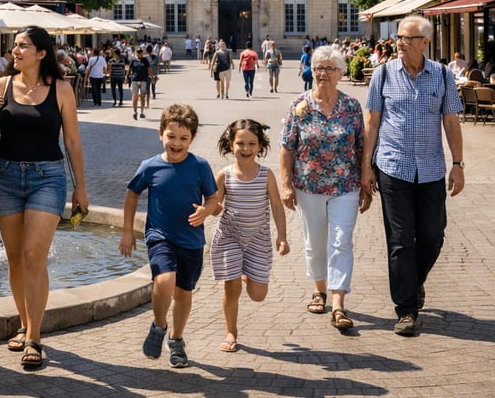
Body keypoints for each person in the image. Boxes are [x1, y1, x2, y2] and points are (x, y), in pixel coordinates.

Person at [0, 26, 88, 370]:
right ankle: (25, 321)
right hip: (8, 177)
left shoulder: (61, 89)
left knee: (32, 256)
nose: (15, 51)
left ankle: (34, 337)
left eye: (22, 46)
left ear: (41, 53)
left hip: (48, 177)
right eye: (14, 46)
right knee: (14, 259)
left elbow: (72, 141)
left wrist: (81, 187)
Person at [361, 16, 464, 337]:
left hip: (431, 168)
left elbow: (450, 121)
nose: (399, 43)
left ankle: (413, 280)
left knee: (433, 236)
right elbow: (373, 123)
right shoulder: (383, 75)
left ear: (424, 43)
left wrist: (458, 163)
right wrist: (366, 166)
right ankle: (406, 310)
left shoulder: (443, 76)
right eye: (398, 38)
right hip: (393, 167)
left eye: (407, 38)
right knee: (400, 241)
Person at [119, 103, 219, 368]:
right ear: (160, 133)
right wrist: (128, 231)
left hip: (192, 240)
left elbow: (214, 200)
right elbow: (132, 195)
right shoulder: (149, 167)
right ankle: (159, 326)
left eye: (183, 138)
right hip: (159, 235)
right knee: (164, 281)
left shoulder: (200, 166)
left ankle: (176, 339)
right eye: (171, 136)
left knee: (184, 293)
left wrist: (205, 212)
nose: (176, 143)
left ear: (192, 139)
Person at [279, 46, 369, 332]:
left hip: (345, 185)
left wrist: (366, 181)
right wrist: (286, 185)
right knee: (315, 243)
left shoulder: (352, 106)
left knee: (342, 241)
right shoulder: (299, 105)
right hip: (309, 185)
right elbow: (286, 148)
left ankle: (339, 303)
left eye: (329, 68)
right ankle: (319, 289)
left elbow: (361, 148)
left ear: (340, 73)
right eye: (318, 68)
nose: (322, 73)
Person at [210, 119, 289, 352]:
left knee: (257, 295)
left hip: (258, 240)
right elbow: (215, 206)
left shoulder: (266, 175)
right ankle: (230, 332)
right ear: (230, 144)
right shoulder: (224, 175)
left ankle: (247, 274)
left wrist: (282, 236)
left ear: (260, 146)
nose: (245, 149)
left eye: (251, 144)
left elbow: (276, 206)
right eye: (240, 143)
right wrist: (210, 208)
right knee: (231, 287)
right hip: (229, 237)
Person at [126, 47, 151, 120]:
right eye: (138, 52)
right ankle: (135, 111)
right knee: (135, 95)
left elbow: (149, 69)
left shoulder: (145, 60)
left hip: (143, 80)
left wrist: (152, 77)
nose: (139, 53)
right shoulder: (133, 60)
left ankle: (142, 112)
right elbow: (129, 69)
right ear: (136, 53)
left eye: (140, 52)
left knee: (142, 96)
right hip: (135, 80)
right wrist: (126, 77)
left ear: (142, 53)